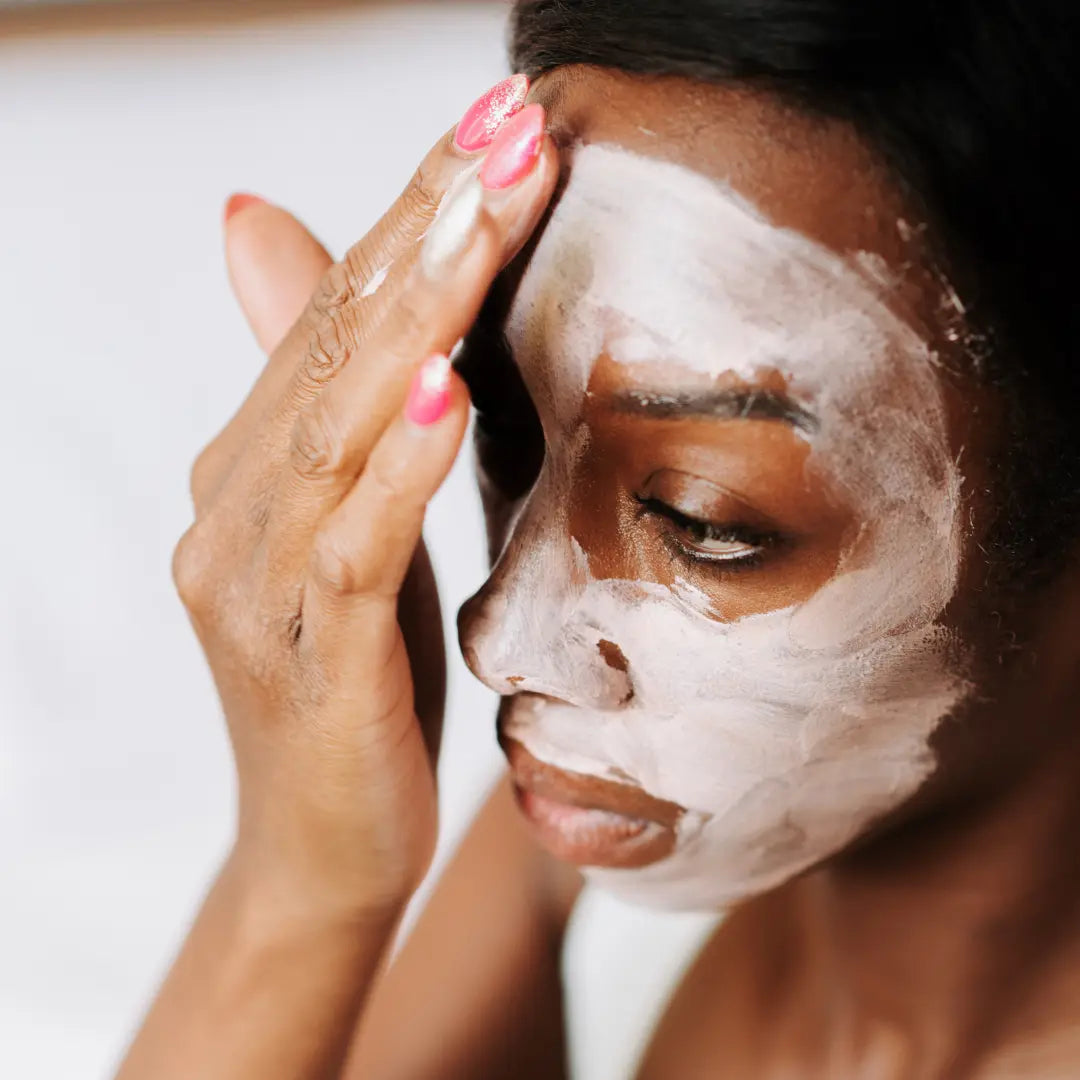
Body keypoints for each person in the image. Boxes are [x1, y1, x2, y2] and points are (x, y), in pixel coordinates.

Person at [117, 1, 1080, 1077]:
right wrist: (303, 875)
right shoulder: (592, 874)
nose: (497, 639)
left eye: (700, 520)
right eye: (507, 427)